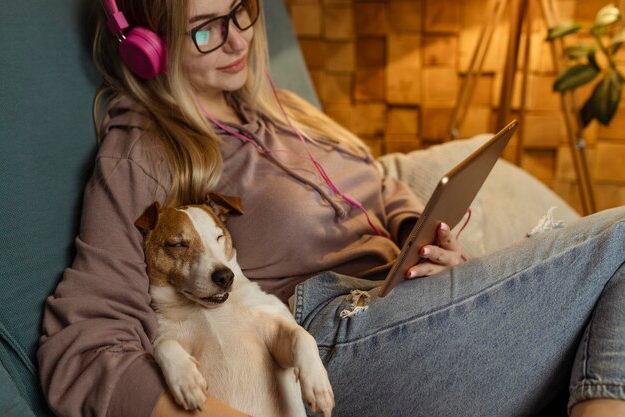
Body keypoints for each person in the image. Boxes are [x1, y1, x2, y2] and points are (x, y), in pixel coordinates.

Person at [37, 0, 625, 416]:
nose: (239, 38)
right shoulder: (146, 148)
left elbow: (378, 184)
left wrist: (418, 229)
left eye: (241, 9)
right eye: (205, 30)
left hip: (399, 299)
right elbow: (85, 345)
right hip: (324, 340)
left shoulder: (284, 111)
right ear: (149, 48)